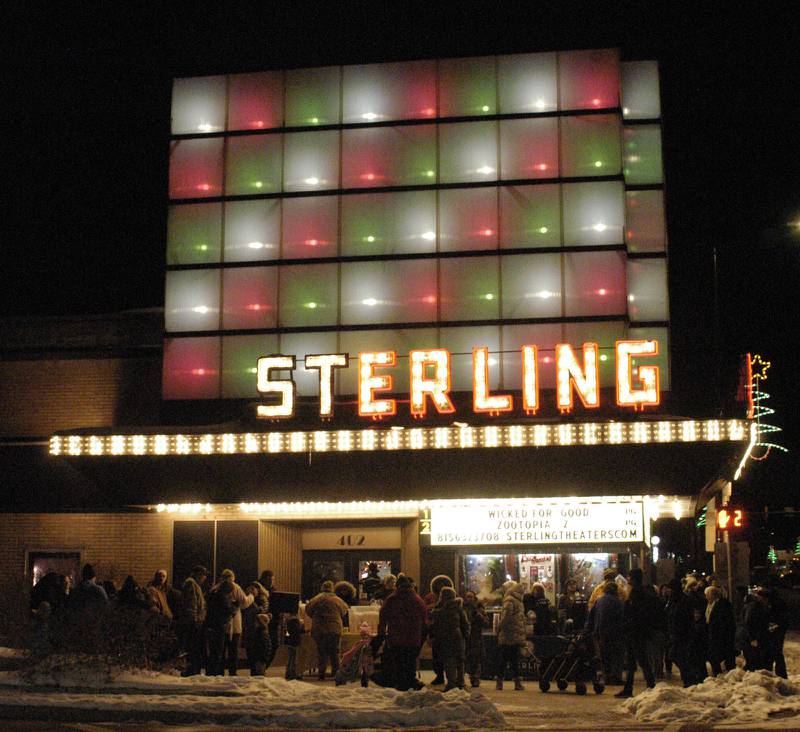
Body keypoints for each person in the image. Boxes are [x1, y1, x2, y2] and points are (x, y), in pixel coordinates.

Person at [376, 574, 427, 691]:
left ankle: (401, 685)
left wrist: (381, 633)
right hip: (414, 638)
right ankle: (409, 683)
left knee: (398, 662)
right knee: (410, 663)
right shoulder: (418, 600)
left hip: (396, 637)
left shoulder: (392, 599)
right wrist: (422, 637)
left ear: (397, 587)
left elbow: (383, 616)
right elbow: (425, 621)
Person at [615, 568, 657, 698]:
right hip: (637, 631)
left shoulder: (636, 593)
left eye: (629, 577)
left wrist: (627, 625)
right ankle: (632, 687)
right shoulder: (640, 592)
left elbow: (635, 613)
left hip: (635, 632)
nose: (627, 579)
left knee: (640, 660)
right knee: (633, 661)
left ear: (633, 578)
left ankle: (650, 686)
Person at [205, 569, 253, 676]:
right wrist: (251, 596)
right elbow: (244, 603)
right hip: (233, 625)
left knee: (220, 651)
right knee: (233, 651)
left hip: (218, 625)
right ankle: (232, 672)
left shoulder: (215, 588)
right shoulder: (235, 587)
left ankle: (220, 672)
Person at [305, 580, 349, 680]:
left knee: (322, 652)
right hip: (335, 628)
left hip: (319, 628)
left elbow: (308, 610)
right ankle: (336, 672)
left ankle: (321, 672)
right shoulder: (337, 599)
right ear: (332, 589)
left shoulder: (316, 599)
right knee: (335, 652)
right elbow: (344, 611)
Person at [429, 586, 470, 691]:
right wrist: (466, 635)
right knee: (460, 660)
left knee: (449, 660)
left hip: (445, 637)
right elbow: (465, 624)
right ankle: (461, 682)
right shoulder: (458, 608)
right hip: (458, 636)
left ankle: (452, 682)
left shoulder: (440, 610)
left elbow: (434, 622)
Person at [585, 580, 624, 684]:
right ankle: (615, 677)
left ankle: (606, 676)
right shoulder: (618, 602)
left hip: (600, 632)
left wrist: (588, 630)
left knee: (604, 655)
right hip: (615, 633)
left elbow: (591, 616)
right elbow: (622, 618)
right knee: (616, 655)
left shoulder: (599, 600)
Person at [424, 574, 454, 685]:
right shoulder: (430, 598)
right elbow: (426, 613)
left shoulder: (452, 598)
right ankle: (440, 675)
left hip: (447, 631)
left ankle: (450, 677)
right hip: (436, 630)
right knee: (437, 655)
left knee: (448, 656)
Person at [496, 580, 526, 691]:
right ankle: (517, 683)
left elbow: (506, 617)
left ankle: (499, 682)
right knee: (514, 660)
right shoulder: (519, 601)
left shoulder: (509, 600)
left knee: (503, 659)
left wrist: (499, 627)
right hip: (516, 634)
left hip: (507, 633)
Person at [178, 565, 208, 676]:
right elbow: (192, 604)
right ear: (199, 575)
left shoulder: (193, 584)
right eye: (204, 576)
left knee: (193, 647)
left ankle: (193, 670)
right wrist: (194, 620)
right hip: (192, 622)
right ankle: (191, 671)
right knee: (193, 647)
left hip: (193, 621)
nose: (204, 579)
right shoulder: (191, 584)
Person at [705, 586, 736, 676]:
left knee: (722, 657)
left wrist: (721, 634)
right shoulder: (711, 604)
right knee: (716, 656)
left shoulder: (723, 604)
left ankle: (724, 675)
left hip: (721, 636)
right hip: (715, 635)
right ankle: (720, 674)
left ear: (713, 595)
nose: (706, 597)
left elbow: (725, 621)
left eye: (707, 595)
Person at [738, 589, 771, 671]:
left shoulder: (753, 605)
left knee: (752, 661)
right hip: (751, 638)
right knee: (753, 661)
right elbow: (749, 622)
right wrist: (753, 638)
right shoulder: (755, 606)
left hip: (749, 637)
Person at [242, 581, 271, 676]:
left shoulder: (262, 599)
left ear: (258, 589)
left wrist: (252, 600)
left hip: (259, 631)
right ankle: (254, 673)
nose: (250, 591)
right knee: (251, 654)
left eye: (253, 589)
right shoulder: (247, 600)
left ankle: (259, 673)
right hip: (250, 630)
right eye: (249, 589)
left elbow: (261, 611)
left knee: (259, 655)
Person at [463, 590, 488, 687]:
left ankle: (475, 679)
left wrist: (478, 615)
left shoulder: (479, 609)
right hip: (466, 637)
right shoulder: (462, 607)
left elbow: (485, 622)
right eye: (467, 596)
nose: (469, 599)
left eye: (471, 597)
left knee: (475, 659)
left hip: (475, 637)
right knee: (466, 659)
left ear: (474, 598)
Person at [764, 588, 788, 678]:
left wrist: (771, 628)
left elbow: (776, 619)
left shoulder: (775, 604)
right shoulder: (778, 603)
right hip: (778, 632)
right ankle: (780, 674)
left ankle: (778, 674)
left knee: (775, 653)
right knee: (777, 654)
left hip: (776, 632)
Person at [259, 570, 280, 669]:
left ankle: (265, 666)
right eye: (269, 579)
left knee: (275, 644)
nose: (271, 582)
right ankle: (261, 666)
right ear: (263, 579)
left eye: (272, 580)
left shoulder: (273, 590)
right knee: (264, 645)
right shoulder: (258, 589)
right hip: (262, 621)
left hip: (273, 621)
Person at [284, 612, 304, 680]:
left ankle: (288, 673)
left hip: (290, 642)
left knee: (290, 658)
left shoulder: (288, 622)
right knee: (294, 658)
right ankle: (292, 674)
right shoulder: (295, 621)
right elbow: (297, 632)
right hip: (295, 642)